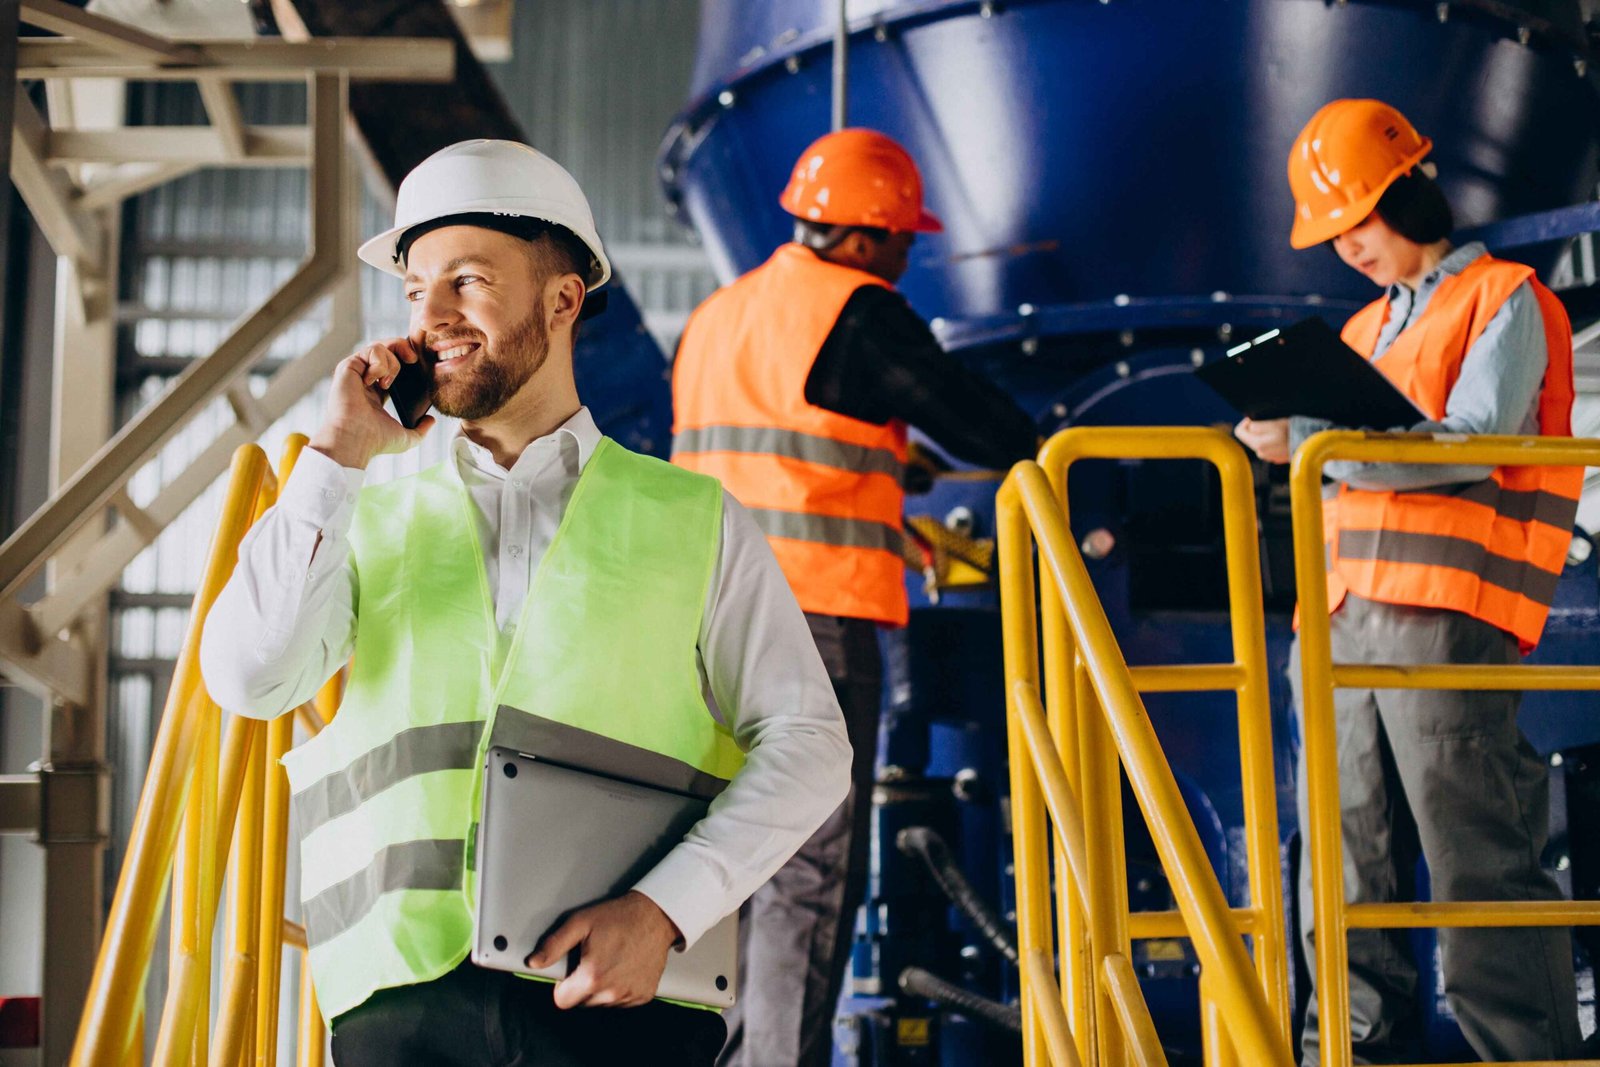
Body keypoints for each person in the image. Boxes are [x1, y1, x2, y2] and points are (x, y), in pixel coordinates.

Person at [199, 139, 852, 1067]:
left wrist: (667, 910)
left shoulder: (693, 519)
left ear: (562, 298)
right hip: (399, 1004)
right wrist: (336, 458)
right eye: (416, 288)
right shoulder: (357, 509)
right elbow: (250, 678)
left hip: (622, 996)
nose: (430, 316)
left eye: (467, 281)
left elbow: (811, 743)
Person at [670, 127, 1038, 1067]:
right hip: (816, 627)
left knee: (727, 867)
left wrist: (888, 462)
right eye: (905, 239)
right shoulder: (861, 312)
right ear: (869, 234)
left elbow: (782, 446)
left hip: (701, 634)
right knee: (809, 871)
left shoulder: (720, 314)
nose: (910, 258)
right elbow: (989, 427)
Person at [1235, 99, 1584, 1064]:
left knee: (1475, 858)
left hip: (1443, 618)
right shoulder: (1355, 332)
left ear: (1413, 189)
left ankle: (1525, 1054)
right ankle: (1349, 1051)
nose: (1348, 248)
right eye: (1333, 233)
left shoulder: (1507, 298)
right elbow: (1342, 456)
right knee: (1344, 866)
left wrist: (1311, 441)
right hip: (1338, 615)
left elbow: (1475, 443)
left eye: (1361, 221)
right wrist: (1274, 435)